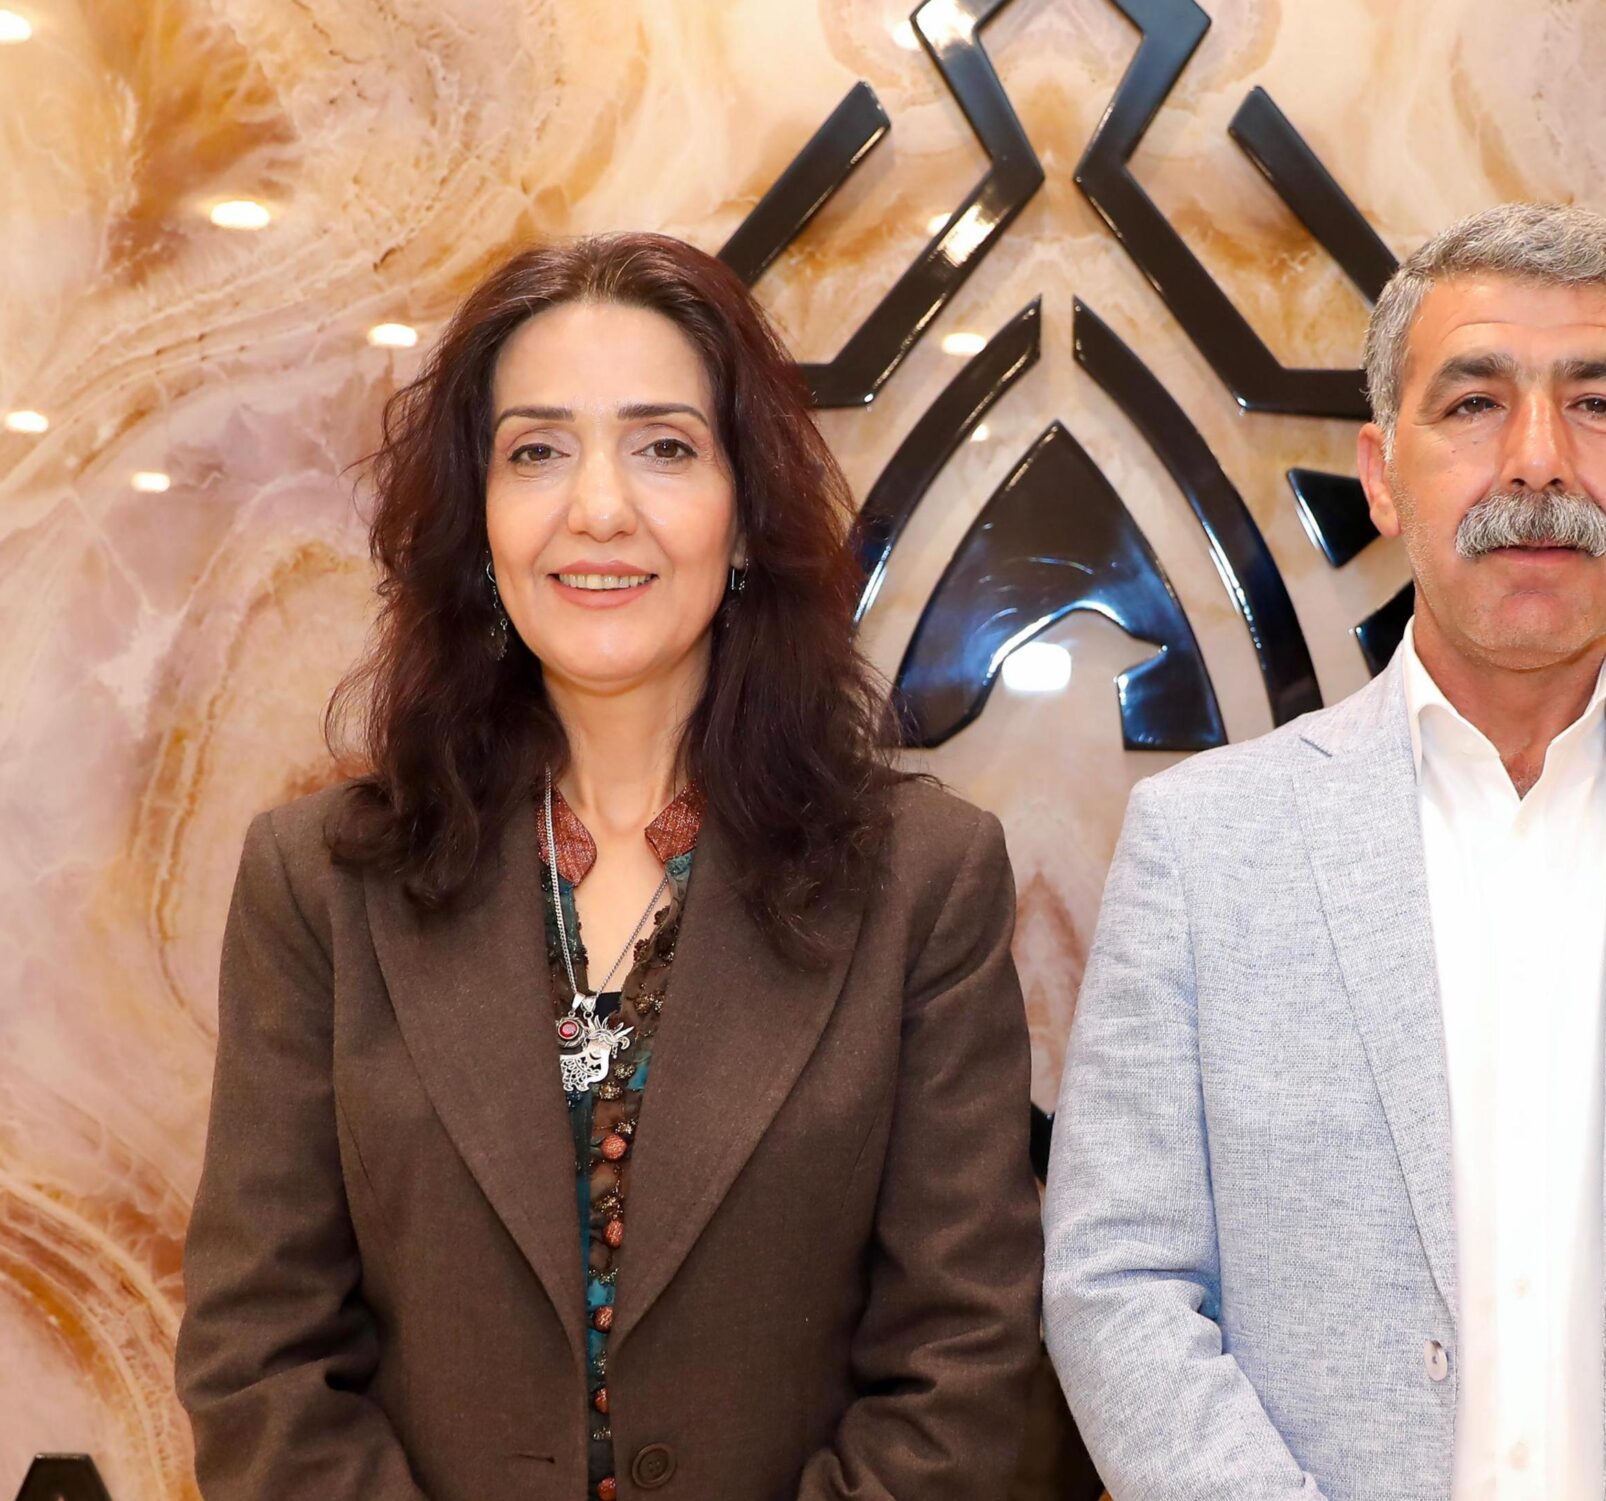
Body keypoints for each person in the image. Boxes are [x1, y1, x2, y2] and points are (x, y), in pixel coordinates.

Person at [1042, 202, 1606, 1500]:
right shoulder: (1205, 850)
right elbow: (1118, 1281)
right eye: (1474, 403)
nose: (1537, 460)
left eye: (1597, 404)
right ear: (1382, 472)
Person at [177, 232, 1040, 1501]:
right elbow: (259, 1357)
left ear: (745, 517)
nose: (596, 507)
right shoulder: (319, 883)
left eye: (664, 447)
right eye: (536, 451)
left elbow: (962, 1365)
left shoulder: (924, 881)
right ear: (478, 521)